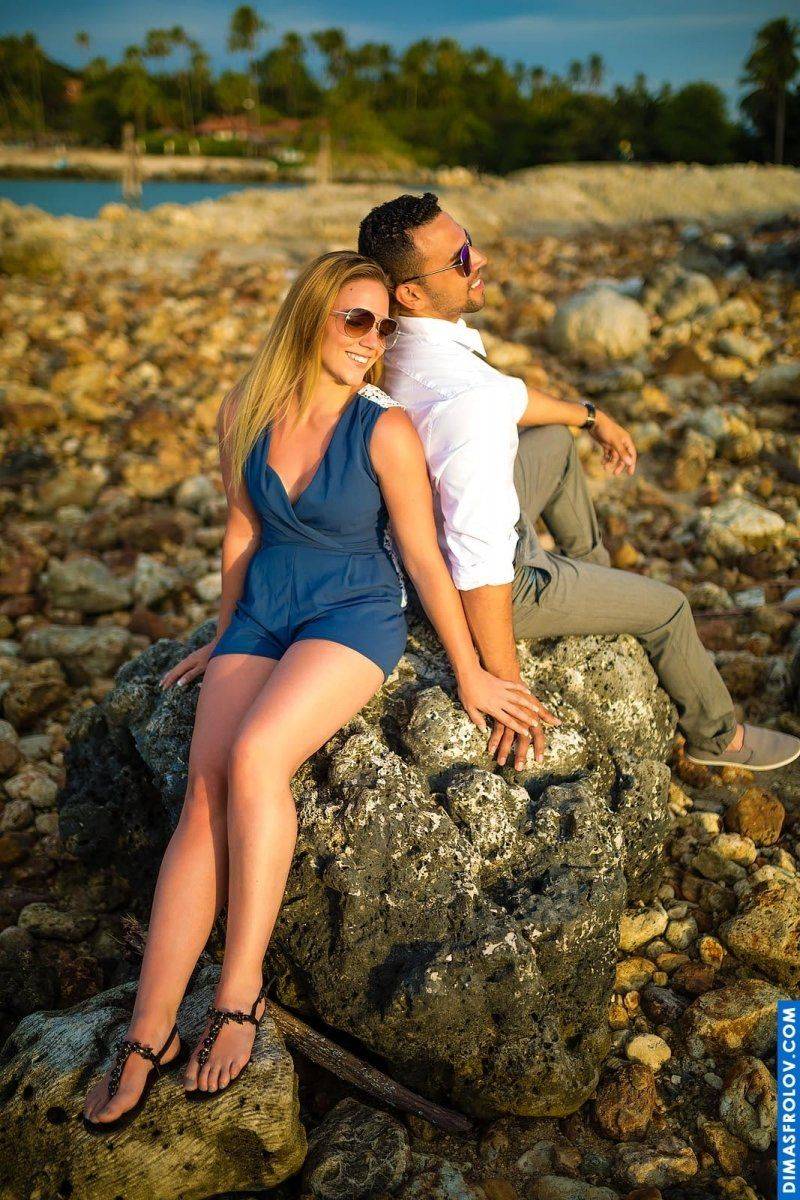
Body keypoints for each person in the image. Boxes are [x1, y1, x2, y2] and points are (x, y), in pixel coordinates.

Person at [82, 250, 553, 1133]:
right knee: (205, 793)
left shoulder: (384, 430)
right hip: (265, 611)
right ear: (311, 317)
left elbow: (424, 559)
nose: (373, 340)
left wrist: (472, 671)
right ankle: (148, 1029)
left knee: (258, 756)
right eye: (356, 320)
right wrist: (224, 633)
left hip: (352, 612)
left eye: (385, 326)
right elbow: (241, 528)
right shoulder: (245, 409)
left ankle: (239, 992)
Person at [358, 192, 800, 775]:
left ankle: (591, 572)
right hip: (490, 581)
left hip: (435, 525)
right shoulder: (468, 401)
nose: (480, 259)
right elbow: (481, 566)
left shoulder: (390, 341)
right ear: (412, 293)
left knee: (554, 441)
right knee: (670, 609)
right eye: (461, 258)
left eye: (470, 244)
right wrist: (505, 685)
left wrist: (590, 416)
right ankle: (718, 737)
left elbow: (510, 397)